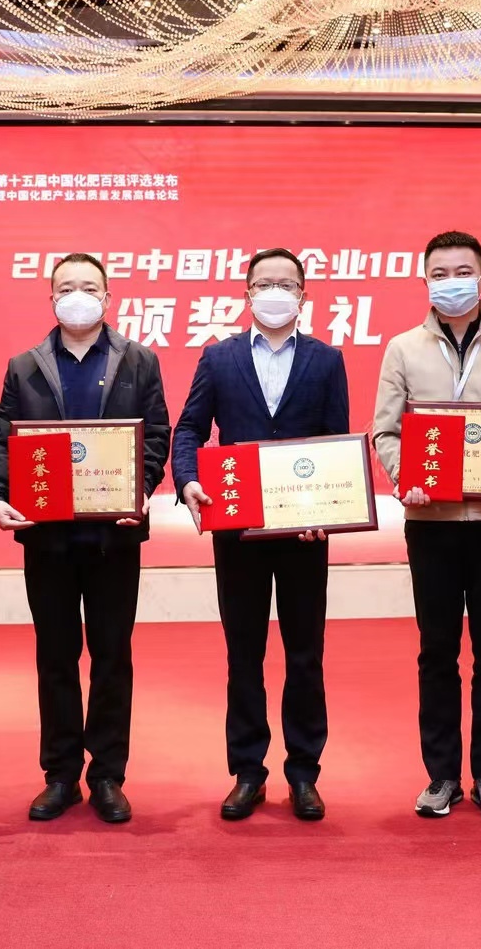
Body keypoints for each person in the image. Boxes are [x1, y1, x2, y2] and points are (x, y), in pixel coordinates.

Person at [0, 254, 171, 824]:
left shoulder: (139, 360)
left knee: (112, 656)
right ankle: (60, 774)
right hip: (49, 540)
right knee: (56, 656)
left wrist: (142, 489)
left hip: (115, 536)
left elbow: (155, 436)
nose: (77, 296)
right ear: (52, 299)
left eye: (89, 287)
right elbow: (4, 438)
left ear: (108, 298)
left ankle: (107, 774)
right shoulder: (25, 366)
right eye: (66, 288)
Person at [372, 230, 481, 821]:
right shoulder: (402, 348)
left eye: (462, 271)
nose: (452, 282)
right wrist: (406, 476)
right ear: (425, 280)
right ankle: (442, 775)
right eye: (440, 273)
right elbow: (386, 431)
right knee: (437, 651)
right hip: (431, 520)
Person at [172, 248, 351, 822]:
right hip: (238, 527)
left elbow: (335, 441)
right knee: (243, 653)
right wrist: (188, 480)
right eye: (264, 283)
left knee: (306, 654)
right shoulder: (219, 357)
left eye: (287, 283)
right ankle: (248, 771)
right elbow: (189, 428)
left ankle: (304, 773)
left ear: (303, 294)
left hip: (304, 532)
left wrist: (332, 507)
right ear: (247, 293)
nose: (276, 292)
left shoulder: (327, 360)